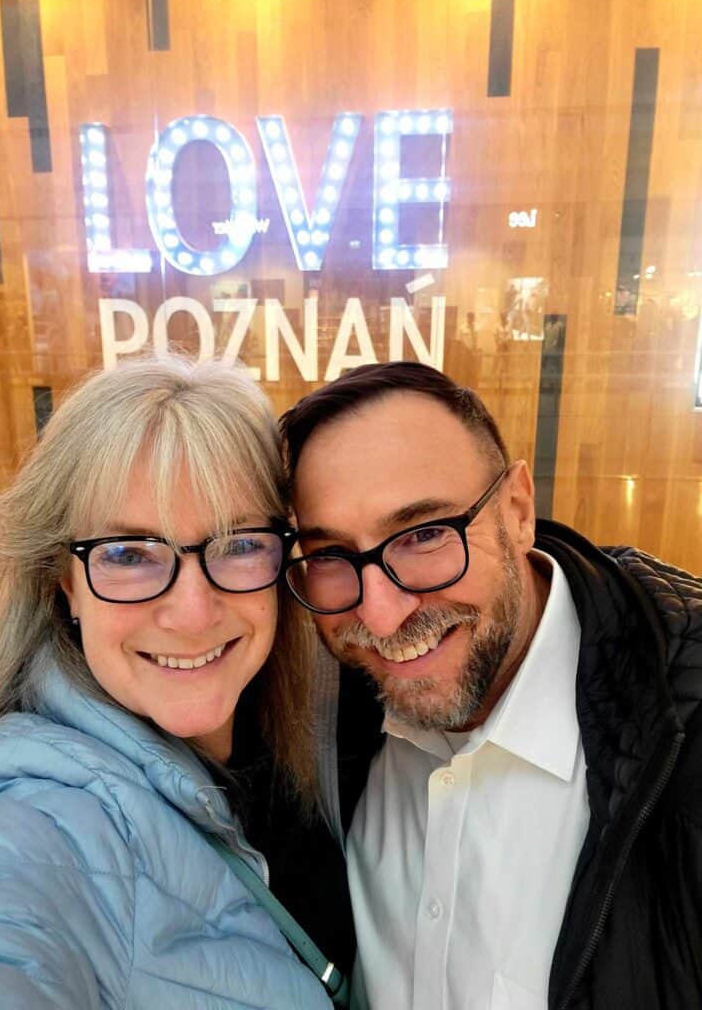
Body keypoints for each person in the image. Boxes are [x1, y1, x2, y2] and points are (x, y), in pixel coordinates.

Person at [280, 361, 702, 1010]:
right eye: (332, 556)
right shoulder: (323, 717)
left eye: (424, 535)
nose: (382, 614)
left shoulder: (683, 739)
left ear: (519, 511)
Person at [0, 354, 349, 1008]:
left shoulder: (322, 726)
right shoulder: (27, 816)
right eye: (129, 555)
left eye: (240, 544)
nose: (192, 613)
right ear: (65, 583)